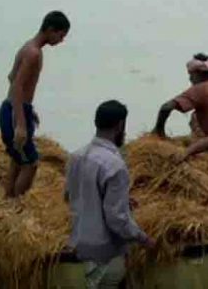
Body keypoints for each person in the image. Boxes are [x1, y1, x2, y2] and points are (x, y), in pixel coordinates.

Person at [66, 100, 153, 288]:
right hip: (105, 256)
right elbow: (117, 219)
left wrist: (121, 199)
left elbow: (71, 197)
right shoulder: (114, 165)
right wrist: (143, 238)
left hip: (77, 251)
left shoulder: (75, 158)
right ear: (120, 125)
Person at [1, 10, 71, 198]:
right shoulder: (33, 53)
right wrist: (21, 124)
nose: (61, 40)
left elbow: (11, 77)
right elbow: (17, 86)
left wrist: (28, 110)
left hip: (13, 108)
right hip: (15, 112)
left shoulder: (27, 47)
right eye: (60, 35)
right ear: (50, 30)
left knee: (17, 160)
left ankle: (7, 204)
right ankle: (16, 206)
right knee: (30, 164)